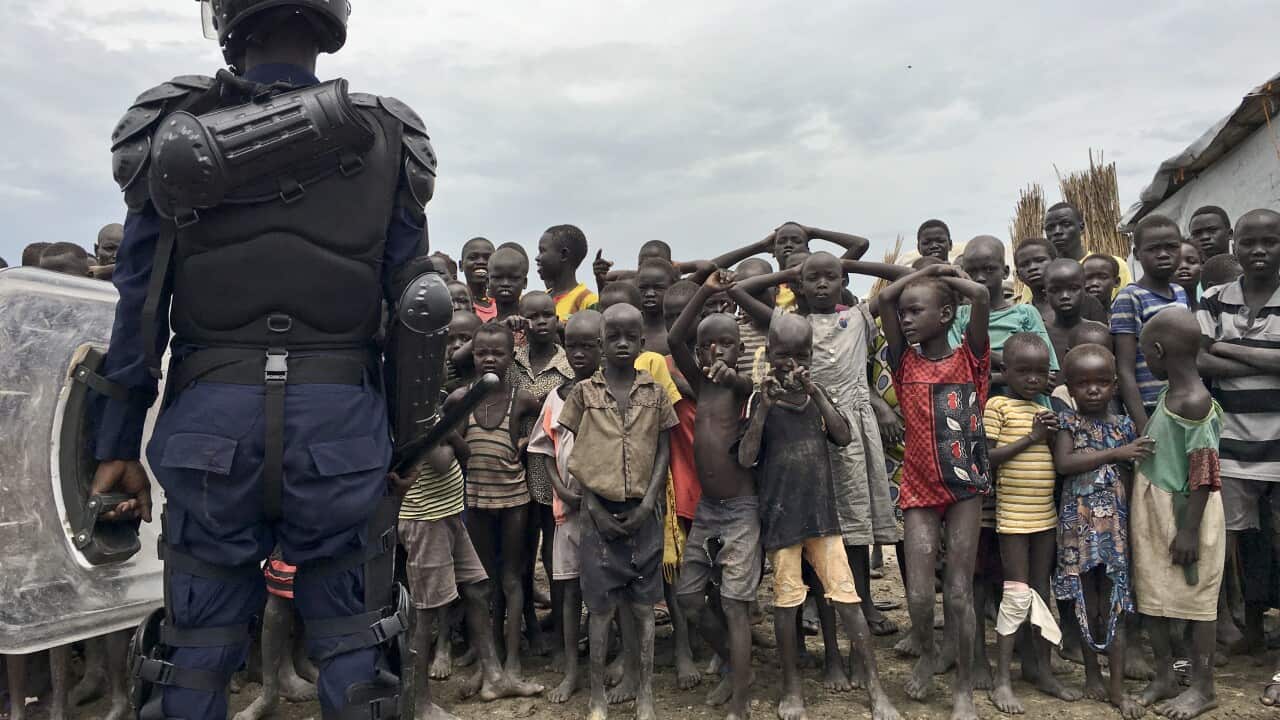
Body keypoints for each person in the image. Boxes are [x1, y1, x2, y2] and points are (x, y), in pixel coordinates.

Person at [90, 2, 445, 717]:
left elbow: (138, 304)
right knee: (356, 648)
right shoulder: (390, 135)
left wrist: (116, 440)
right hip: (339, 428)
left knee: (192, 659)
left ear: (226, 18)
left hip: (209, 426)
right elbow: (420, 307)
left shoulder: (170, 131)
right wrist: (409, 445)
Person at [737, 312, 900, 720]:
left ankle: (877, 690)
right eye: (782, 354)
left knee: (847, 599)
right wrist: (763, 408)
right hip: (782, 519)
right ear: (769, 353)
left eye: (800, 355)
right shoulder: (760, 399)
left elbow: (843, 437)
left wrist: (818, 394)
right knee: (788, 602)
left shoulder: (817, 393)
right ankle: (791, 689)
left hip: (823, 517)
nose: (791, 363)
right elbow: (746, 456)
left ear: (810, 356)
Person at [556, 303, 680, 720]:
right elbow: (578, 453)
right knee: (601, 607)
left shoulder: (655, 392)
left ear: (643, 342)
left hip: (644, 513)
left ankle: (645, 692)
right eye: (614, 338)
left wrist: (649, 503)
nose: (622, 344)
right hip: (598, 514)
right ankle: (596, 698)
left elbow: (664, 447)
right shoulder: (584, 393)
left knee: (645, 607)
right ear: (601, 344)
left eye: (631, 337)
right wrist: (592, 505)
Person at [878, 263, 991, 720]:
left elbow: (980, 295)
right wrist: (920, 275)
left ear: (946, 314)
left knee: (959, 593)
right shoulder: (903, 360)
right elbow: (886, 300)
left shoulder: (971, 356)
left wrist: (946, 273)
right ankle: (927, 654)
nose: (904, 318)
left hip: (965, 486)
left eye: (916, 311)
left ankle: (963, 689)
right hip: (921, 486)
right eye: (904, 313)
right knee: (921, 595)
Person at [1194, 209, 1280, 705]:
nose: (1259, 250)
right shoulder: (1214, 297)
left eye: (1270, 241)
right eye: (1249, 242)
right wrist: (1265, 354)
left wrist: (1234, 348)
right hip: (1229, 447)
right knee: (1224, 554)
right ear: (1235, 244)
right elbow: (1199, 356)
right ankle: (1243, 633)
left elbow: (1215, 352)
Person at [398, 425, 541, 718]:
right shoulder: (412, 412)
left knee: (477, 589)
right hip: (425, 519)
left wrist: (446, 433)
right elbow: (440, 463)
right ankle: (419, 703)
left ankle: (495, 678)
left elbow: (466, 453)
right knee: (426, 611)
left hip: (448, 513)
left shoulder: (432, 412)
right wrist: (449, 432)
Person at [667, 274, 757, 719]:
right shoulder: (701, 387)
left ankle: (740, 701)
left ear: (740, 349)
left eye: (725, 344)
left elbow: (748, 389)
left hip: (740, 511)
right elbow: (674, 336)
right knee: (688, 599)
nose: (714, 352)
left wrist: (735, 377)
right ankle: (734, 668)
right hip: (708, 510)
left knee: (736, 605)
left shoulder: (747, 390)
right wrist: (703, 290)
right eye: (707, 347)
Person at [1133, 307, 1225, 720]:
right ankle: (1165, 675)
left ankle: (1204, 688)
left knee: (1196, 601)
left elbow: (1205, 473)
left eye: (1145, 355)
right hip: (1156, 509)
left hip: (1186, 512)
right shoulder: (1173, 396)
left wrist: (1188, 531)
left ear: (1156, 351)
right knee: (1153, 594)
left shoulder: (1193, 402)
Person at [1052, 344, 1152, 718]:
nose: (1092, 389)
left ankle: (1116, 687)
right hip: (1078, 532)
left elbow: (1131, 480)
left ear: (1114, 385)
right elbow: (1064, 464)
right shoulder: (1069, 423)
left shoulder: (1126, 426)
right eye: (1082, 383)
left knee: (1115, 606)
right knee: (1085, 602)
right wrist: (1115, 454)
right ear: (1070, 388)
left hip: (1115, 534)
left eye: (1101, 382)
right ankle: (1092, 675)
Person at [982, 333, 1078, 712]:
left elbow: (1058, 463)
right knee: (1017, 593)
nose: (1033, 379)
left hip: (1045, 517)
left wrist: (1052, 436)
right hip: (1012, 518)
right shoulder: (998, 406)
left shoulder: (1049, 408)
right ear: (1006, 372)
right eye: (1024, 372)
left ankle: (1041, 669)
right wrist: (1033, 436)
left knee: (1042, 590)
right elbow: (988, 458)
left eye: (1041, 372)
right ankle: (1003, 679)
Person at [456, 322, 540, 679]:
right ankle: (487, 655)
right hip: (475, 499)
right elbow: (456, 447)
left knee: (512, 577)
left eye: (498, 352)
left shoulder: (522, 399)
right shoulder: (460, 399)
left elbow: (538, 431)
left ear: (512, 356)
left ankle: (512, 659)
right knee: (484, 579)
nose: (489, 358)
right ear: (472, 356)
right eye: (481, 352)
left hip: (514, 500)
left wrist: (523, 443)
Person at [530, 309, 603, 704]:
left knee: (603, 591)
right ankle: (573, 668)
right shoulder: (555, 398)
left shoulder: (611, 393)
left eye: (586, 346)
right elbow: (542, 449)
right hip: (568, 513)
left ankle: (601, 666)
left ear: (601, 348)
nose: (578, 353)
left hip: (605, 512)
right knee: (569, 587)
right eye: (571, 345)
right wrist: (560, 488)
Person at [510, 291, 574, 657]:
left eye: (548, 315)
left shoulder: (568, 364)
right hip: (514, 473)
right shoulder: (511, 362)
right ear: (522, 320)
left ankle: (564, 631)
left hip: (552, 475)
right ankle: (531, 627)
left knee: (555, 557)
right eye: (532, 316)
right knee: (521, 557)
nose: (541, 322)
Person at [1112, 214, 1190, 430]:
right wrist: (1143, 426)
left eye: (1171, 247)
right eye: (1153, 249)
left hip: (1185, 403)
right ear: (1137, 254)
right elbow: (1125, 369)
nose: (1163, 254)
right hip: (1151, 408)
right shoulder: (1131, 297)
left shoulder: (1180, 293)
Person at [954, 236, 1059, 389]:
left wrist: (985, 363)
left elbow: (1046, 376)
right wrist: (1020, 371)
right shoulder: (958, 316)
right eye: (972, 271)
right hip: (977, 408)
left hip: (1027, 409)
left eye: (989, 269)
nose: (980, 278)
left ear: (1005, 272)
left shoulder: (1026, 314)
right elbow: (957, 368)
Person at [1044, 202, 1133, 287]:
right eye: (1050, 228)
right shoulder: (1042, 272)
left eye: (1066, 224)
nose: (1057, 231)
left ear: (1081, 227)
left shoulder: (1112, 265)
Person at [535, 224, 599, 321]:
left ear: (564, 255)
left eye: (542, 251)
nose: (537, 258)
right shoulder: (538, 300)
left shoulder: (587, 300)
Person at [1045, 258, 1093, 371]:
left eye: (1073, 288)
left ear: (1085, 290)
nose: (1065, 296)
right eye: (1055, 290)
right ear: (1045, 294)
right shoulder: (1039, 335)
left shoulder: (1099, 332)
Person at [636, 259, 678, 355]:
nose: (649, 294)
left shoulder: (679, 331)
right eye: (643, 288)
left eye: (658, 288)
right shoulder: (629, 329)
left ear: (672, 287)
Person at [487, 246, 528, 326]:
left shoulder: (532, 324)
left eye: (513, 278)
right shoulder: (483, 326)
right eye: (498, 278)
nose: (505, 283)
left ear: (524, 283)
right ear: (487, 282)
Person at [462, 237, 498, 322]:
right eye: (473, 257)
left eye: (488, 258)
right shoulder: (456, 305)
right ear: (460, 265)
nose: (481, 262)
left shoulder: (503, 305)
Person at [1175, 241, 1204, 311]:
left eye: (1192, 261)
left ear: (1201, 267)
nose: (1184, 266)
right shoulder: (1158, 312)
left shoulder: (1210, 314)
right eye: (1176, 262)